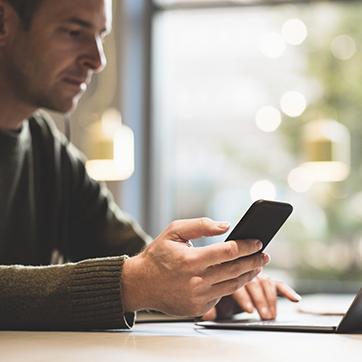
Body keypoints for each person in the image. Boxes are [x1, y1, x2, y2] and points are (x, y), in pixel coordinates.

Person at [0, 0, 300, 331]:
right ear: (4, 21)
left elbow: (136, 254)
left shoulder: (44, 143)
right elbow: (138, 276)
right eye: (73, 32)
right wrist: (131, 285)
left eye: (100, 35)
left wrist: (209, 280)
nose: (97, 60)